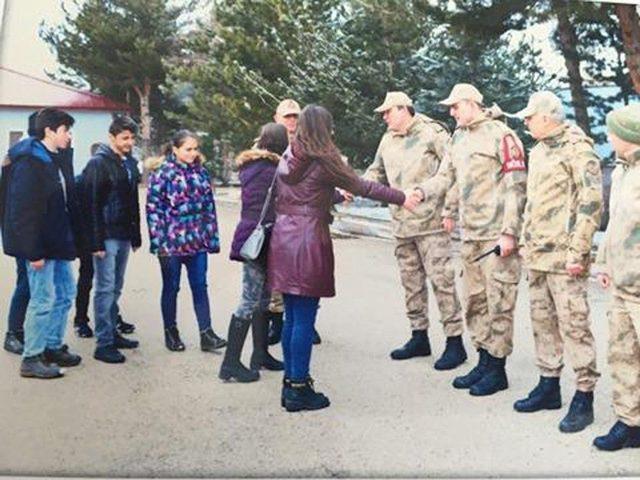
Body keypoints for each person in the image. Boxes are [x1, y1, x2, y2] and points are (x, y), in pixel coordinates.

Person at [268, 104, 420, 412]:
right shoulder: (324, 159)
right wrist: (402, 197)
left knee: (292, 317)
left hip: (284, 239)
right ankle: (299, 388)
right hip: (308, 239)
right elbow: (363, 185)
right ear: (323, 128)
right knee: (304, 320)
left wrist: (333, 196)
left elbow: (300, 193)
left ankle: (290, 383)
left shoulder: (289, 155)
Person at [416, 84, 527, 396]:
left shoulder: (502, 135)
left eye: (455, 106)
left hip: (495, 235)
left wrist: (509, 231)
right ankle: (483, 359)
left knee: (499, 301)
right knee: (475, 300)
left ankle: (497, 368)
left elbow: (515, 186)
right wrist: (423, 192)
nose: (451, 112)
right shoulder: (459, 137)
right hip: (471, 234)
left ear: (471, 104)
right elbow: (447, 177)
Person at [513, 91, 602, 433]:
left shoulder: (578, 150)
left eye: (530, 117)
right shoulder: (539, 150)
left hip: (565, 258)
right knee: (542, 321)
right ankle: (548, 384)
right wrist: (524, 240)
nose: (526, 122)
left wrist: (578, 252)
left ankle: (584, 395)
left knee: (574, 325)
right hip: (538, 255)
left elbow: (591, 205)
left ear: (548, 117)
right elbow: (533, 203)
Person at [365, 91, 465, 369]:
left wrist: (449, 209)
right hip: (401, 224)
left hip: (431, 224)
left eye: (388, 112)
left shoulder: (432, 133)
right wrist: (355, 187)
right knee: (411, 284)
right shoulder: (387, 139)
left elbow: (452, 170)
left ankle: (455, 341)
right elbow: (376, 172)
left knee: (442, 282)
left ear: (403, 109)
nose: (384, 117)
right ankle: (419, 336)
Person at [1, 108, 82, 378]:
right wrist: (32, 251)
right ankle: (32, 357)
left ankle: (52, 345)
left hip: (58, 242)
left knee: (65, 293)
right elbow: (22, 211)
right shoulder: (30, 162)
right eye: (65, 130)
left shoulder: (54, 158)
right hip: (40, 246)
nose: (69, 136)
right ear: (50, 130)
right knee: (42, 299)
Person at [145, 130, 227, 353]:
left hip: (197, 242)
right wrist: (158, 241)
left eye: (195, 149)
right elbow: (153, 209)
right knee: (171, 287)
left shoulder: (201, 172)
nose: (192, 153)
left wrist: (212, 238)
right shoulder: (163, 173)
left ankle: (206, 333)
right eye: (187, 149)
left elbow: (209, 208)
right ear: (175, 150)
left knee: (200, 286)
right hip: (171, 244)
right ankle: (171, 332)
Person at [219, 123, 289, 382]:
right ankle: (230, 363)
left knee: (261, 297)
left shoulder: (251, 166)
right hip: (261, 238)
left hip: (253, 236)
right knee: (250, 299)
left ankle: (259, 354)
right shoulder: (272, 170)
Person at [593, 104, 640, 451]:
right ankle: (630, 423)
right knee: (623, 355)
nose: (608, 137)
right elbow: (613, 226)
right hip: (622, 284)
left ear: (627, 136)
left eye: (613, 132)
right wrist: (603, 262)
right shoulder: (623, 171)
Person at [81, 116, 142, 364]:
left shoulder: (128, 163)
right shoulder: (98, 163)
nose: (129, 142)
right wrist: (95, 242)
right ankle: (103, 343)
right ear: (112, 137)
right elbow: (91, 204)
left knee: (115, 286)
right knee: (105, 289)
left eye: (132, 138)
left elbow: (132, 201)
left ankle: (113, 333)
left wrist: (136, 234)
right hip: (106, 235)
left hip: (123, 234)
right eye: (124, 138)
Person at [267, 98, 324, 346]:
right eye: (286, 116)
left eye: (295, 116)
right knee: (278, 278)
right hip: (277, 221)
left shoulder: (310, 144)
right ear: (276, 118)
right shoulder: (267, 145)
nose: (291, 121)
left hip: (305, 223)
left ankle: (305, 324)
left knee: (308, 276)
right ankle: (277, 323)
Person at [74, 144, 137, 338]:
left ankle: (112, 319)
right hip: (91, 233)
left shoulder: (127, 165)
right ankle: (81, 319)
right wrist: (92, 238)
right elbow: (88, 207)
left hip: (111, 231)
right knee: (89, 276)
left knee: (111, 283)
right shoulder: (88, 174)